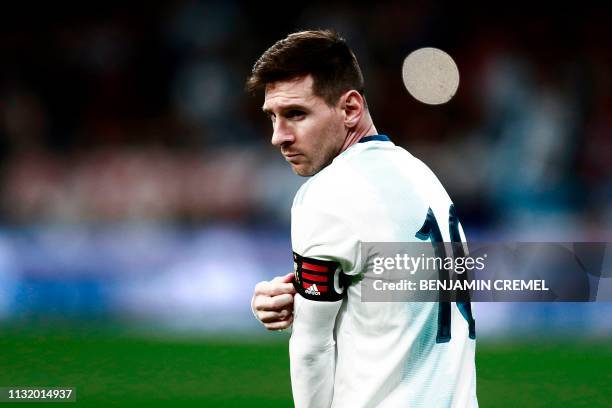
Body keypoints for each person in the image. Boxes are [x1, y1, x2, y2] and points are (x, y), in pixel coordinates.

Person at [247, 30, 477, 407]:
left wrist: (308, 304)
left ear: (350, 108)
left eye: (296, 114)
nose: (279, 136)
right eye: (273, 116)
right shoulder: (422, 176)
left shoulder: (325, 194)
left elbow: (311, 347)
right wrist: (299, 294)